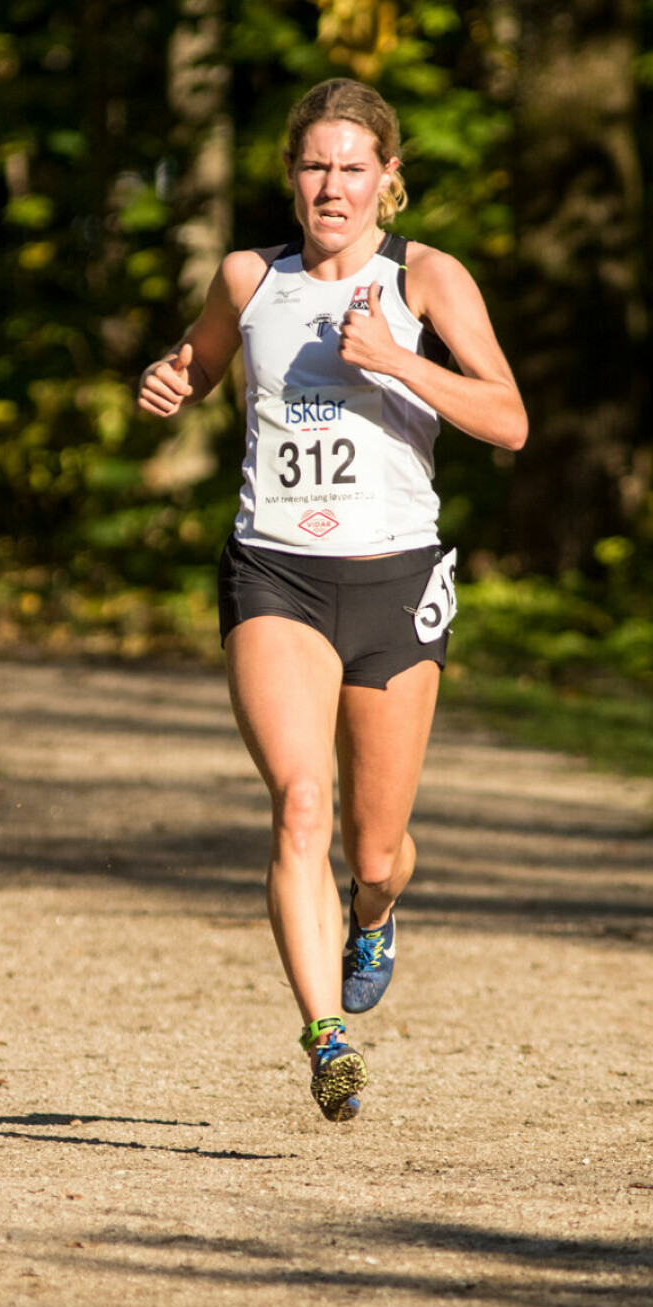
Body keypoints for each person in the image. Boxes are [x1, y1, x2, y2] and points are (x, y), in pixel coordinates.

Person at [138, 78, 527, 1123]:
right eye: (315, 165)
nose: (332, 185)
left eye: (354, 167)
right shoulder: (248, 275)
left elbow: (509, 418)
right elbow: (202, 359)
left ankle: (376, 911)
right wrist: (173, 377)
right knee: (299, 802)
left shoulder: (430, 278)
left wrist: (398, 360)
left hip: (395, 578)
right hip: (277, 570)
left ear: (388, 181)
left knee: (373, 846)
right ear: (291, 175)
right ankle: (327, 1040)